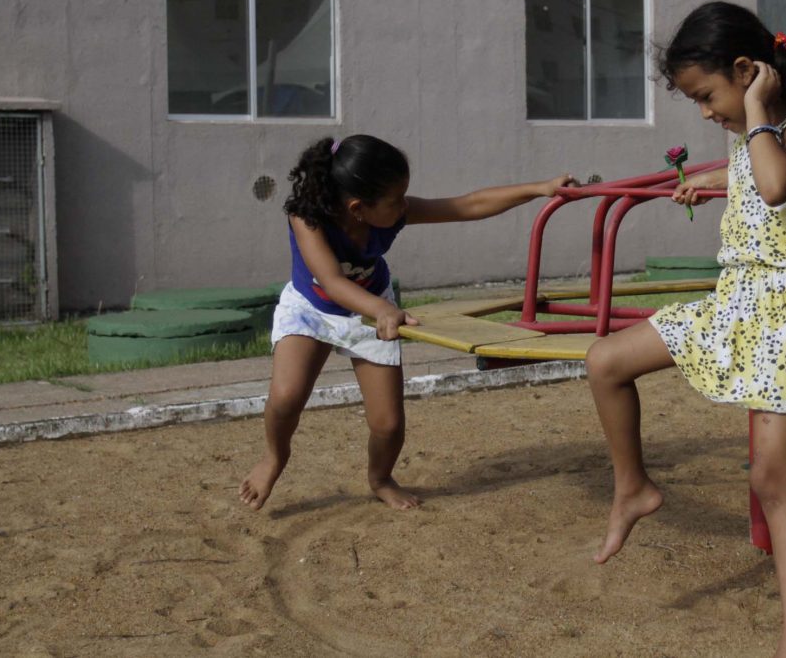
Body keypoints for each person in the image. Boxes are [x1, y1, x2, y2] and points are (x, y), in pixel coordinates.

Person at [585, 2, 786, 658]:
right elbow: (750, 177)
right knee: (604, 361)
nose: (706, 113)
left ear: (748, 71)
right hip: (734, 302)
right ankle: (634, 487)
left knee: (773, 477)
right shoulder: (755, 139)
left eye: (707, 96)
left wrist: (759, 112)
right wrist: (710, 178)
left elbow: (773, 187)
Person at [239, 134, 574, 511]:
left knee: (388, 425)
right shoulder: (307, 217)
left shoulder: (392, 213)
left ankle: (380, 478)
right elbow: (331, 281)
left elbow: (468, 204)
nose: (404, 206)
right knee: (285, 399)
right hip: (311, 308)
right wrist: (381, 311)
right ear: (357, 207)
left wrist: (541, 188)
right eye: (396, 199)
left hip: (373, 307)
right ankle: (274, 457)